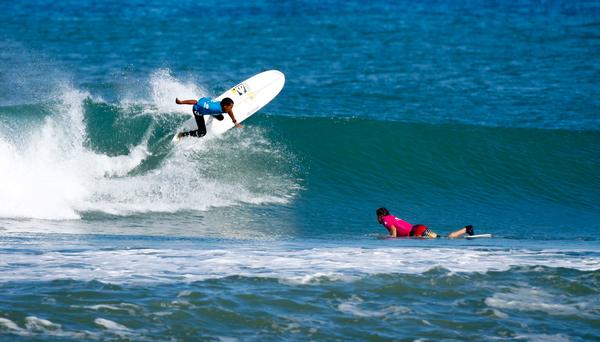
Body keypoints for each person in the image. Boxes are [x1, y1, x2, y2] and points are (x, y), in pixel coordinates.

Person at [376, 207, 474, 239]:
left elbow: (393, 230)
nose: (377, 219)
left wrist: (391, 238)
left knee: (445, 238)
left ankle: (466, 229)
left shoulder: (385, 219)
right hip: (418, 229)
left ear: (380, 216)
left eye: (377, 217)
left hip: (417, 231)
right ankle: (466, 229)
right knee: (441, 238)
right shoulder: (391, 217)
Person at [174, 97, 242, 139]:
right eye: (230, 107)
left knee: (221, 118)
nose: (231, 109)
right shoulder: (213, 108)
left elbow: (229, 111)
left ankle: (213, 115)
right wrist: (181, 102)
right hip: (198, 111)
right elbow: (195, 102)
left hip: (210, 106)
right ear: (225, 106)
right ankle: (183, 134)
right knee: (202, 133)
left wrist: (235, 121)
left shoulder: (223, 107)